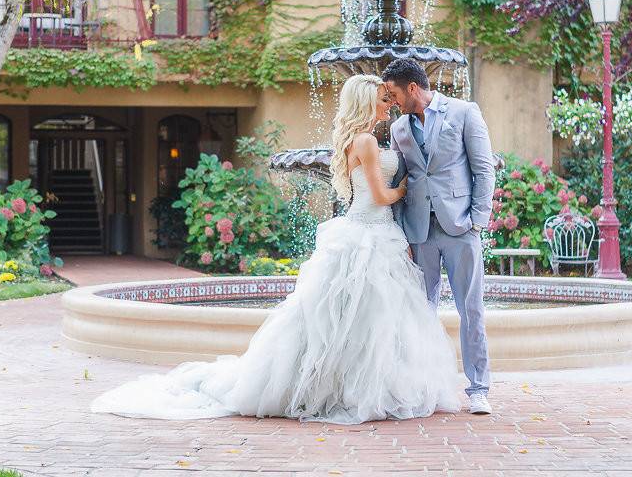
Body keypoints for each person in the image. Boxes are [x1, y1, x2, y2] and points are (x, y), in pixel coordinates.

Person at [91, 74, 461, 424]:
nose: (389, 106)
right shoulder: (364, 142)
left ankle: (346, 387)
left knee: (353, 319)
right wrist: (410, 187)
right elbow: (381, 196)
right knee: (372, 318)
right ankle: (361, 390)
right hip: (371, 232)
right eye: (383, 100)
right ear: (367, 103)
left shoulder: (356, 141)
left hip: (367, 232)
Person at [382, 58, 495, 415]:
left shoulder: (463, 112)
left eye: (395, 94)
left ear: (413, 88)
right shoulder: (399, 128)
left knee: (471, 309)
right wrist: (402, 233)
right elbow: (400, 179)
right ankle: (423, 387)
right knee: (420, 311)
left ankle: (478, 389)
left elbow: (483, 167)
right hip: (419, 232)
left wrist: (477, 220)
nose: (393, 102)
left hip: (460, 227)